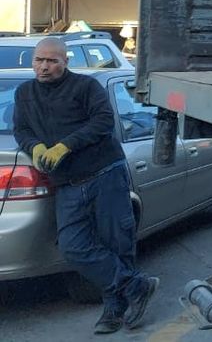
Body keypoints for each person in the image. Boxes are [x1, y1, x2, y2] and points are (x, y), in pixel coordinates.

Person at [12, 37, 158, 334]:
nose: (44, 66)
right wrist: (36, 147)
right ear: (33, 62)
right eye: (39, 60)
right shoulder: (25, 93)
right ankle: (135, 286)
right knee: (73, 246)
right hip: (67, 183)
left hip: (105, 174)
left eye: (52, 61)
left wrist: (66, 145)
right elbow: (21, 129)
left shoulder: (85, 87)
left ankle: (114, 309)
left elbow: (103, 120)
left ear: (65, 61)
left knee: (116, 242)